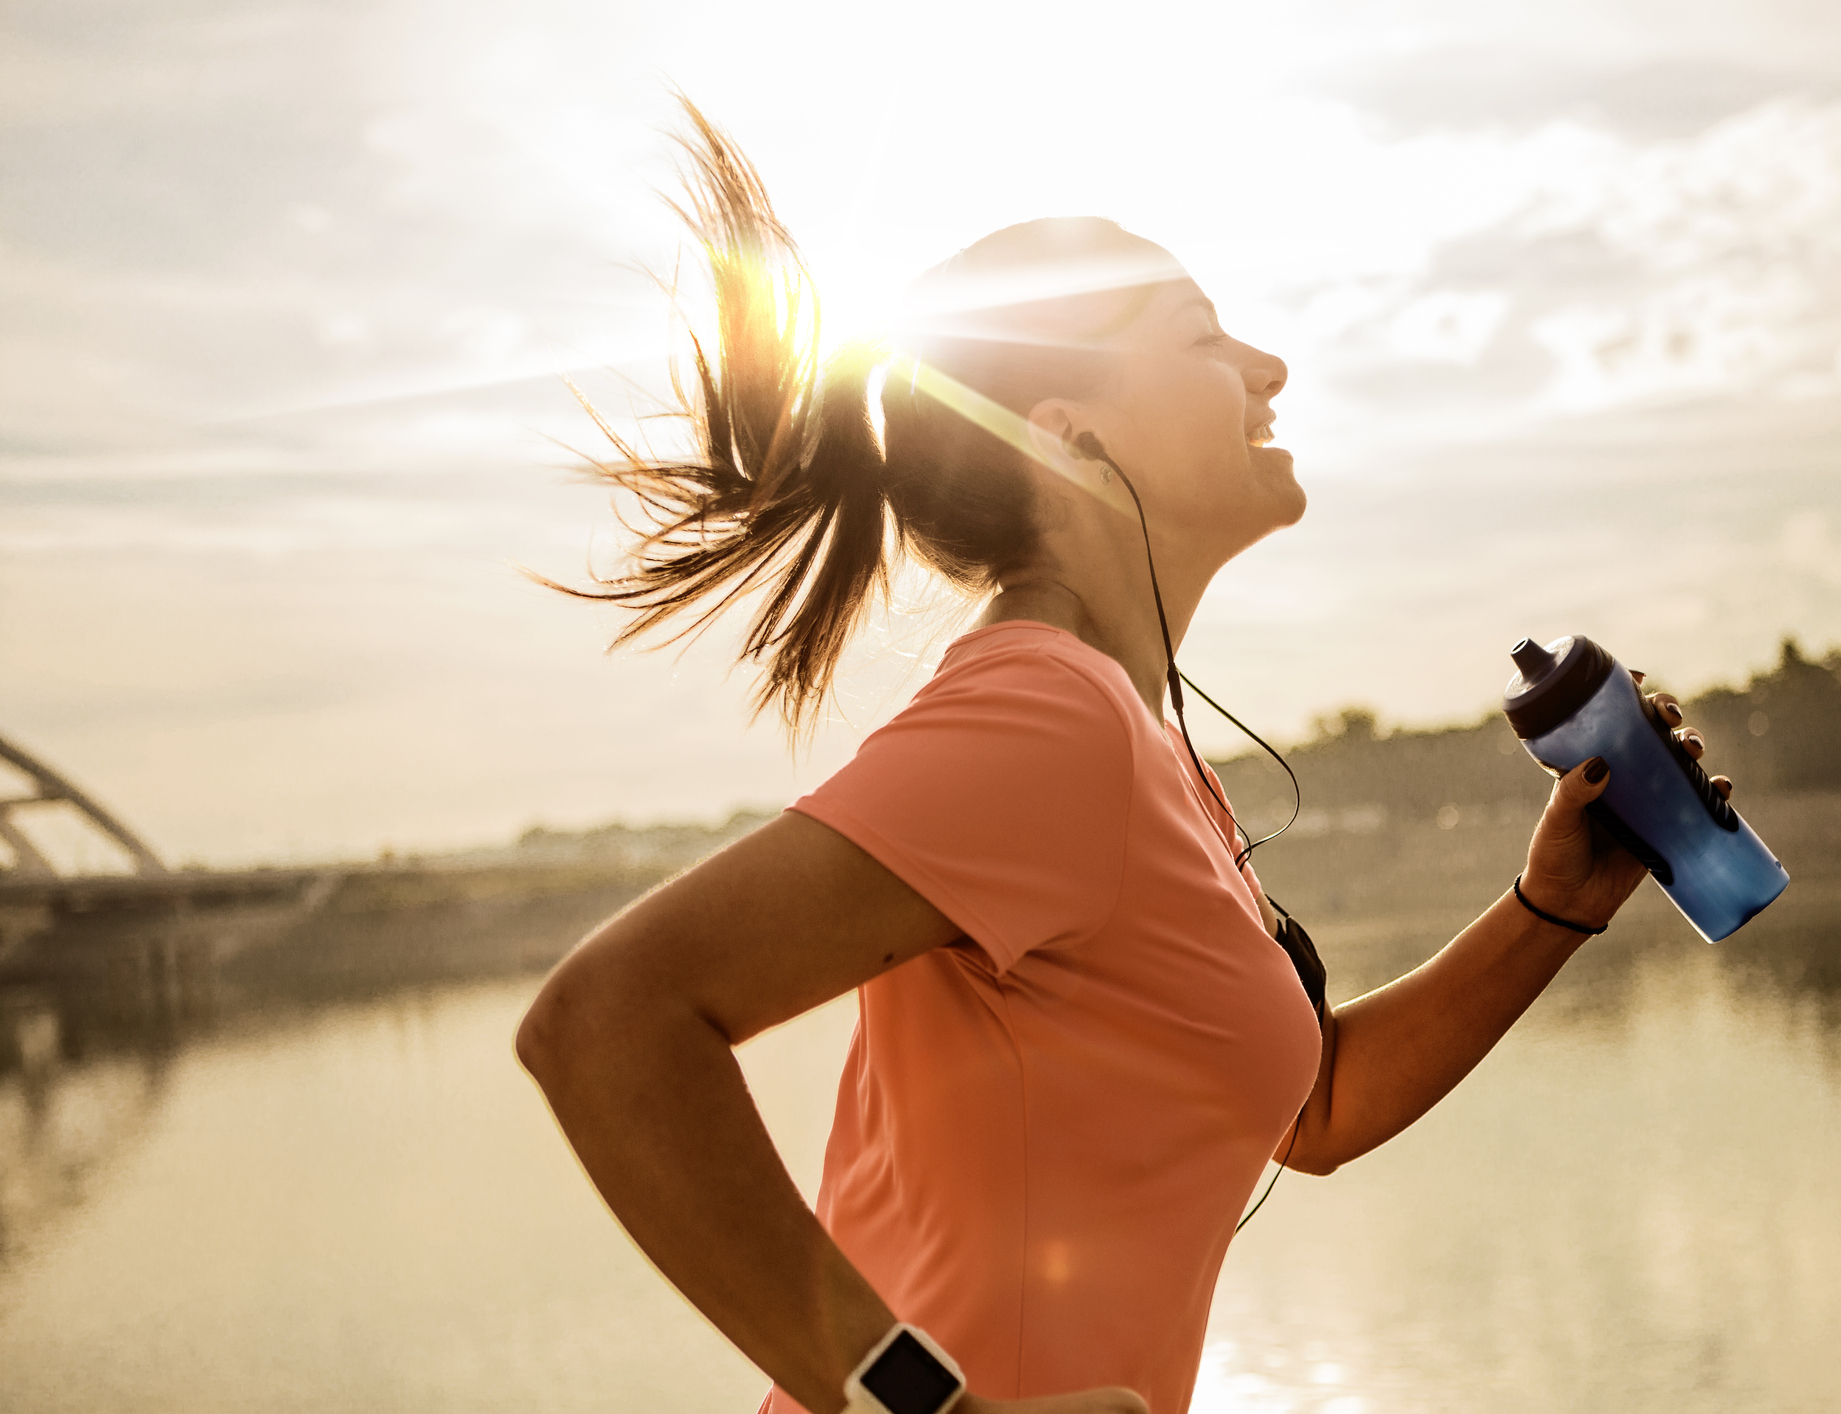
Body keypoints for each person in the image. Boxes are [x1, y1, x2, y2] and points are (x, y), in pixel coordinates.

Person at [514, 106, 1730, 1414]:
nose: (1267, 365)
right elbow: (605, 1023)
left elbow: (1310, 1110)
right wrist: (917, 1408)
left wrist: (1551, 904)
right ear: (1068, 430)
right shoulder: (1046, 721)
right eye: (1204, 338)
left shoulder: (1133, 740)